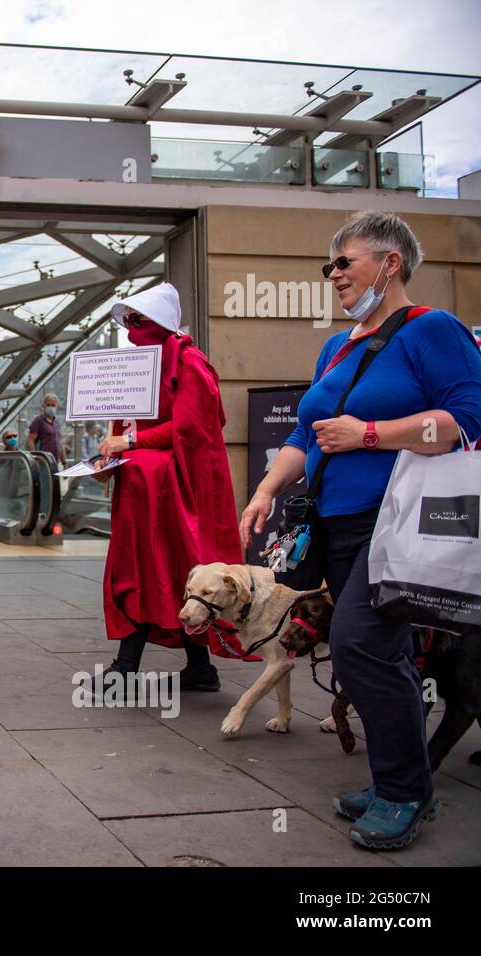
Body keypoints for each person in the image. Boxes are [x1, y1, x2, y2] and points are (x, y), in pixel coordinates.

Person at [241, 211, 481, 850]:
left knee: (358, 645)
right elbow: (306, 432)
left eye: (343, 262)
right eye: (330, 265)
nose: (333, 275)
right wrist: (267, 489)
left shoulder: (433, 330)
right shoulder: (338, 345)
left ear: (390, 262)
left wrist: (371, 434)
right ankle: (396, 781)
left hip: (396, 523)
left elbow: (466, 420)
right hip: (337, 524)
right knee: (381, 654)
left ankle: (406, 792)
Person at [86, 282, 242, 696]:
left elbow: (195, 427)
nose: (133, 327)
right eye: (129, 320)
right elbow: (129, 423)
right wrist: (112, 454)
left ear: (160, 322)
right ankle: (195, 667)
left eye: (140, 319)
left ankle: (129, 667)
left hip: (176, 491)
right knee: (154, 567)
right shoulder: (148, 363)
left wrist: (130, 444)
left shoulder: (188, 363)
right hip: (147, 490)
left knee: (162, 568)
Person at [27, 392, 64, 461]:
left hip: (55, 460)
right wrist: (34, 459)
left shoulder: (56, 422)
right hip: (43, 461)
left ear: (57, 406)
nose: (51, 407)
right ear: (44, 406)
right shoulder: (38, 420)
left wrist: (64, 462)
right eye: (48, 405)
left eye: (53, 405)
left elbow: (60, 443)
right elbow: (31, 440)